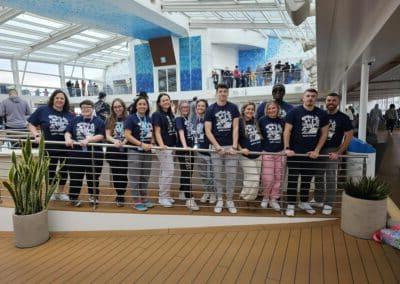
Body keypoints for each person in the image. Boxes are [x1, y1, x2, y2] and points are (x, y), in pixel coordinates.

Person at [284, 88, 329, 216]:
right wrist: (287, 148)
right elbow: (287, 131)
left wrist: (317, 150)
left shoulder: (322, 114)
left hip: (311, 154)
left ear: (316, 98)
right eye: (308, 96)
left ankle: (303, 202)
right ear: (303, 98)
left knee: (307, 180)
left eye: (313, 96)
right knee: (293, 179)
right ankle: (291, 204)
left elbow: (324, 133)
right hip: (295, 153)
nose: (310, 98)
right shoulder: (294, 112)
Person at [28, 89, 74, 202]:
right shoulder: (43, 110)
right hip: (49, 147)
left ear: (65, 101)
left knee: (64, 170)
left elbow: (73, 130)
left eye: (62, 98)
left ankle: (61, 192)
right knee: (50, 170)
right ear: (53, 99)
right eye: (57, 98)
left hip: (66, 148)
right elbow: (31, 124)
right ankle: (51, 192)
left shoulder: (70, 114)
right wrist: (36, 135)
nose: (59, 100)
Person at [314, 93, 353, 215]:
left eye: (334, 100)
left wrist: (339, 152)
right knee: (318, 176)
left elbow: (349, 135)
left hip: (332, 149)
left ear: (338, 102)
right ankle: (318, 199)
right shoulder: (321, 115)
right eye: (329, 100)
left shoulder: (343, 117)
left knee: (330, 177)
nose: (331, 102)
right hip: (319, 149)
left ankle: (329, 203)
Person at [205, 83, 240, 214]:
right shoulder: (210, 109)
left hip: (231, 147)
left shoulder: (233, 107)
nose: (223, 93)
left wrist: (234, 146)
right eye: (220, 91)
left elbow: (236, 127)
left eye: (225, 91)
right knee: (217, 175)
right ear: (217, 93)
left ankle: (229, 200)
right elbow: (208, 131)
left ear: (228, 93)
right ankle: (220, 199)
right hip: (216, 148)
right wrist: (217, 146)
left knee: (231, 175)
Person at [65, 100, 105, 207]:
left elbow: (101, 135)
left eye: (88, 107)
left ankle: (93, 196)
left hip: (94, 155)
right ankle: (73, 197)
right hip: (76, 155)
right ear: (80, 109)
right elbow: (68, 131)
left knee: (93, 178)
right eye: (83, 107)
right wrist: (68, 139)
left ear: (93, 108)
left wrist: (88, 140)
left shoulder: (99, 121)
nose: (85, 109)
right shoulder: (75, 120)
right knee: (75, 177)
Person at [125, 95, 154, 211]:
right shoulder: (130, 118)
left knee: (145, 176)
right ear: (136, 106)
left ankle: (144, 198)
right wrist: (141, 144)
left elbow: (151, 134)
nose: (142, 106)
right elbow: (127, 135)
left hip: (147, 151)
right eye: (140, 104)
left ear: (147, 106)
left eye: (144, 104)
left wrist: (152, 143)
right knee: (134, 177)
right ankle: (136, 200)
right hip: (135, 151)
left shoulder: (149, 118)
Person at [258, 101, 285, 211]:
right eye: (269, 109)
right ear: (266, 110)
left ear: (277, 109)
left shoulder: (283, 121)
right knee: (268, 178)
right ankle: (265, 196)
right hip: (267, 152)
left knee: (278, 177)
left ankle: (274, 198)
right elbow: (258, 135)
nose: (271, 110)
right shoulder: (261, 120)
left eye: (273, 108)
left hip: (280, 152)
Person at [152, 93, 177, 208]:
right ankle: (163, 197)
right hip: (163, 148)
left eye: (167, 100)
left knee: (164, 172)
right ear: (159, 103)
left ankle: (164, 195)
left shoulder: (170, 114)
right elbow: (157, 131)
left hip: (171, 147)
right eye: (163, 100)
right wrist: (162, 145)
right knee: (168, 172)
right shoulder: (157, 114)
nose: (166, 102)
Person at [176, 101, 199, 211]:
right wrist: (185, 146)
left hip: (190, 150)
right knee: (186, 172)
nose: (185, 108)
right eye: (183, 107)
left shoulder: (188, 120)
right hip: (184, 150)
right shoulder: (179, 119)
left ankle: (182, 192)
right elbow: (181, 132)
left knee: (188, 172)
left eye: (187, 107)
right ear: (180, 108)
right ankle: (189, 198)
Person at [105, 99, 128, 207]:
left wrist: (123, 142)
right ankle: (119, 195)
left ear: (123, 107)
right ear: (112, 109)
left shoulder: (128, 119)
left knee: (123, 174)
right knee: (116, 174)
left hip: (125, 150)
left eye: (119, 106)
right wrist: (115, 141)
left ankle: (121, 194)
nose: (118, 109)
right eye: (115, 107)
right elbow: (108, 135)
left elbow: (130, 133)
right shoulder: (109, 119)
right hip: (113, 150)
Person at [192, 99, 216, 204]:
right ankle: (207, 192)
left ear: (206, 107)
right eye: (198, 106)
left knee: (211, 175)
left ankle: (213, 193)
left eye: (202, 106)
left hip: (209, 152)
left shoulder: (210, 119)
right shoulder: (195, 119)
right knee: (203, 175)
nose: (200, 108)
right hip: (200, 151)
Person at [238, 102, 263, 201]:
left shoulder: (255, 121)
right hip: (245, 155)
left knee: (249, 177)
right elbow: (234, 138)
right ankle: (249, 199)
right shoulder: (239, 121)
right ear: (244, 110)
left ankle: (244, 194)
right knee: (254, 178)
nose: (250, 111)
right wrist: (241, 149)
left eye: (252, 109)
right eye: (248, 109)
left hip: (258, 154)